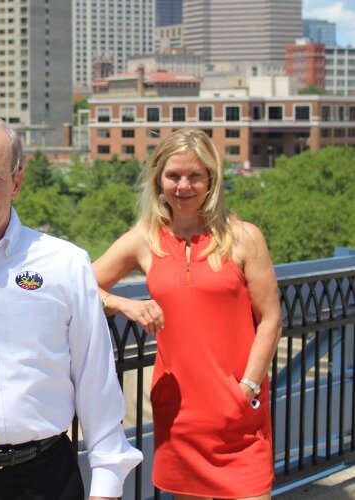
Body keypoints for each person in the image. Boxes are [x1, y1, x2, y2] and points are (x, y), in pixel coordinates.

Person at [0, 114, 142, 500]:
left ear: (17, 181)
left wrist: (107, 480)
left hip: (46, 479)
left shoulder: (65, 263)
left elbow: (93, 375)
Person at [92, 128, 282, 499]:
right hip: (180, 415)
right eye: (173, 175)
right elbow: (78, 287)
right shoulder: (144, 239)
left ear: (211, 179)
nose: (184, 186)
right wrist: (125, 305)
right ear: (158, 179)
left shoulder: (244, 237)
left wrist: (248, 388)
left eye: (195, 176)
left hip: (238, 412)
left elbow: (271, 319)